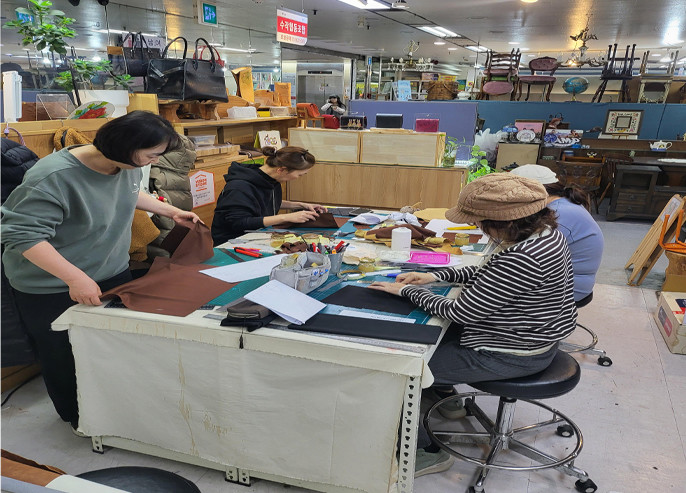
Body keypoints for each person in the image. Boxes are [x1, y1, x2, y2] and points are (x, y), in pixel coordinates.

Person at [0, 110, 201, 431]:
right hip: (50, 284)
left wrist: (169, 210)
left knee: (111, 345)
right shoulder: (53, 177)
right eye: (152, 154)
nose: (156, 160)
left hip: (109, 269)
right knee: (64, 355)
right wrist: (74, 278)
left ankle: (113, 410)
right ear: (124, 148)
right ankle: (79, 420)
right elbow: (22, 236)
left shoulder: (125, 165)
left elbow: (128, 191)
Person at [369, 173, 577, 477]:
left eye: (478, 222)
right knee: (430, 337)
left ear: (502, 222)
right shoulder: (544, 235)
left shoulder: (522, 257)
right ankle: (444, 394)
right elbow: (492, 274)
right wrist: (436, 275)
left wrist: (407, 291)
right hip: (531, 337)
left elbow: (461, 312)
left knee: (394, 371)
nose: (477, 227)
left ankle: (425, 453)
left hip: (510, 353)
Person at [510, 164, 604, 302]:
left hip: (569, 289)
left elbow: (527, 254)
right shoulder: (561, 203)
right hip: (566, 279)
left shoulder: (558, 213)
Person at [211, 146, 326, 245]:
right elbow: (239, 223)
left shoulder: (270, 179)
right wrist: (286, 217)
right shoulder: (239, 187)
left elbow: (265, 201)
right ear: (281, 170)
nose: (298, 178)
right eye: (300, 175)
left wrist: (301, 205)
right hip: (233, 242)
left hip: (256, 235)